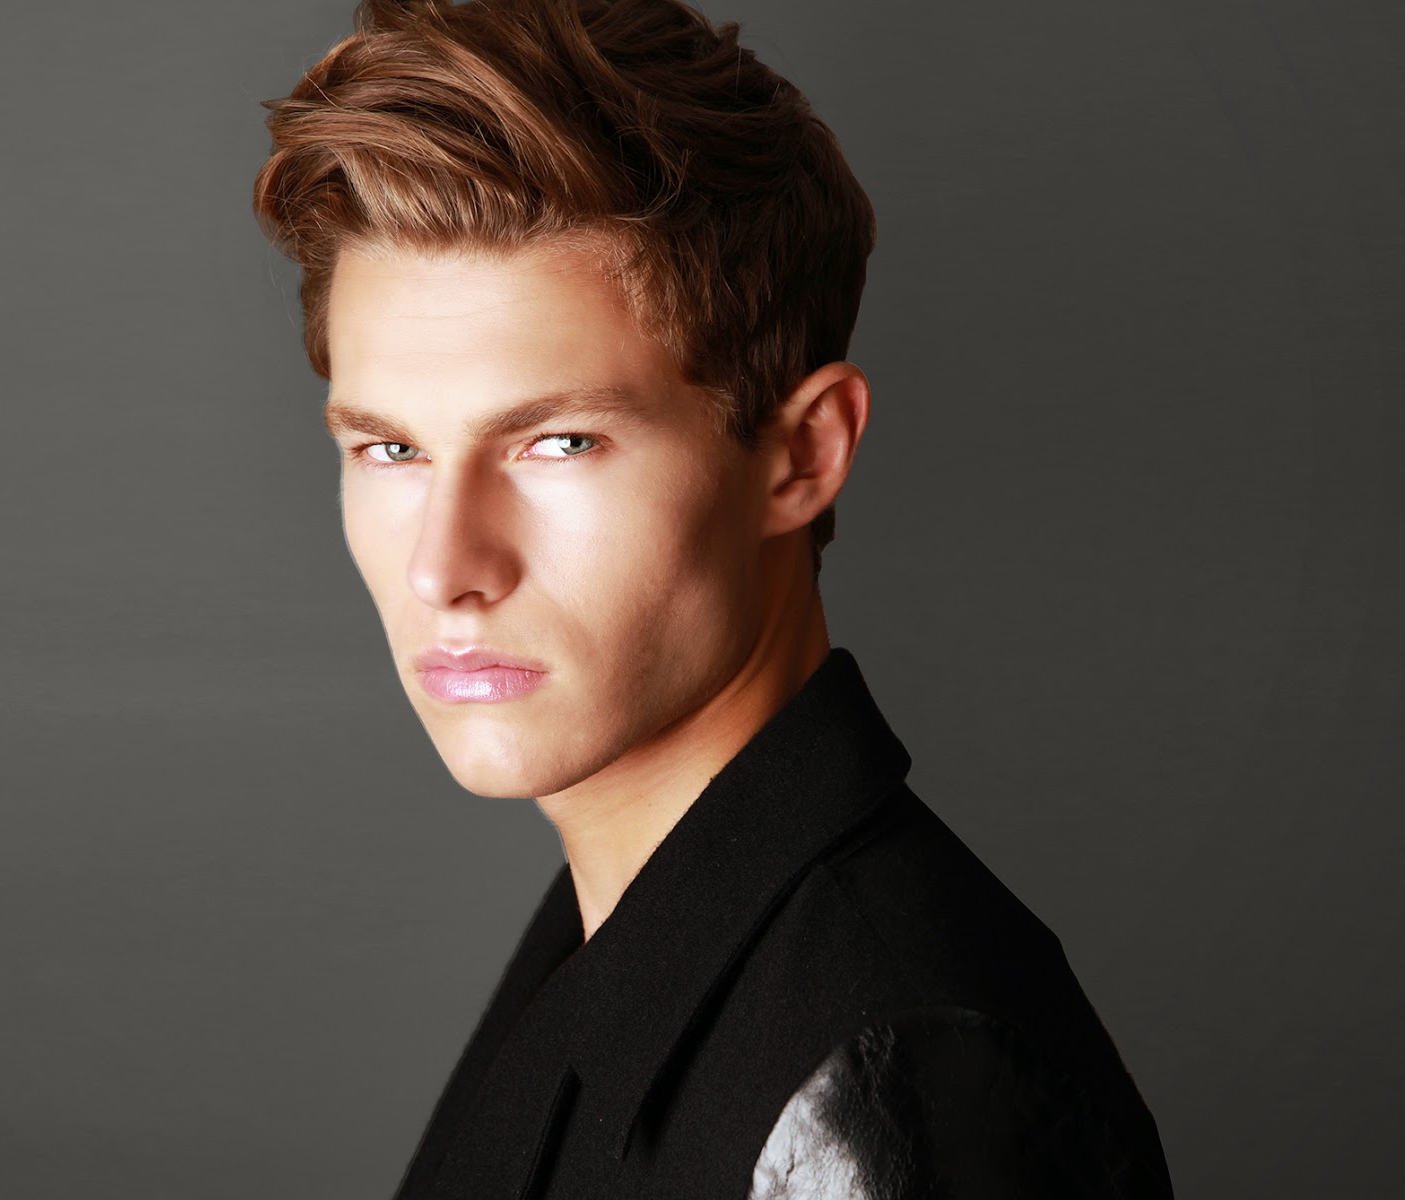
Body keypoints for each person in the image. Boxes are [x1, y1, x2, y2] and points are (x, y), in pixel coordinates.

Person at [252, 0, 1175, 1195]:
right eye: (390, 450)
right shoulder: (607, 953)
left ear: (801, 455)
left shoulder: (893, 1069)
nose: (444, 568)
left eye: (560, 443)